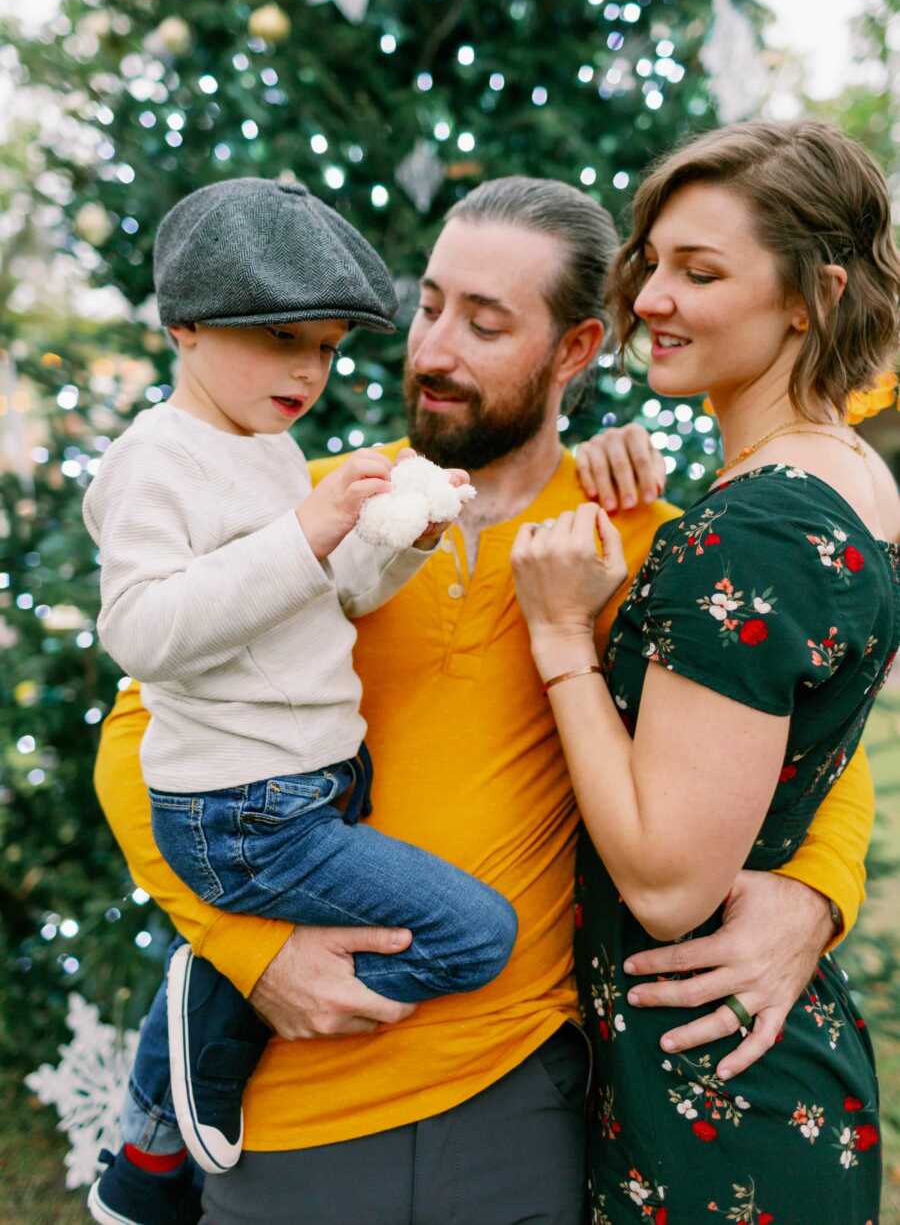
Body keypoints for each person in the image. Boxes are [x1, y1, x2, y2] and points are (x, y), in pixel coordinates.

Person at [94, 175, 877, 1225]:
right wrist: (250, 958)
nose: (433, 351)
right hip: (295, 1099)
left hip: (522, 1098)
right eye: (429, 306)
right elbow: (135, 738)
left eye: (485, 322)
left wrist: (815, 897)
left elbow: (813, 737)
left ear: (576, 349)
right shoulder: (318, 505)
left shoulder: (638, 538)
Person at [84, 176, 518, 1224]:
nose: (308, 371)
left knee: (412, 935)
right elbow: (144, 633)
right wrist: (307, 530)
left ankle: (180, 1088)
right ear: (184, 325)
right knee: (477, 935)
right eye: (281, 337)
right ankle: (215, 1017)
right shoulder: (156, 462)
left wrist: (396, 539)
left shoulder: (268, 449)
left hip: (310, 790)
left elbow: (322, 602)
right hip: (244, 810)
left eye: (324, 347)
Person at [511, 123, 899, 1223]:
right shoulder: (847, 478)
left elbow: (669, 883)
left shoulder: (754, 529)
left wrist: (559, 639)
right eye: (651, 261)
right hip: (741, 1072)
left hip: (714, 1108)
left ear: (810, 298)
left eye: (701, 271)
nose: (651, 299)